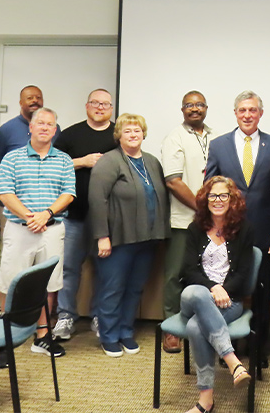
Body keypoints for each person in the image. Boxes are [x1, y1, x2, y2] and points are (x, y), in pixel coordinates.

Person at [204, 90, 270, 364]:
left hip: (264, 232)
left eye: (253, 110)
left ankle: (258, 348)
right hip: (227, 232)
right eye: (242, 110)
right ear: (235, 113)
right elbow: (209, 190)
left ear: (260, 114)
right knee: (228, 288)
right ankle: (226, 346)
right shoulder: (219, 145)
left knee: (262, 292)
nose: (247, 115)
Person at [0, 107, 75, 366]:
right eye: (40, 123)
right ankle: (4, 340)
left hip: (51, 229)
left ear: (54, 130)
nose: (44, 127)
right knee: (10, 283)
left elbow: (68, 193)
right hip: (20, 229)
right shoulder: (12, 158)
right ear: (30, 126)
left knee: (49, 284)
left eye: (50, 124)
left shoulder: (63, 160)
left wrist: (46, 214)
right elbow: (5, 193)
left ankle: (42, 336)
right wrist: (32, 216)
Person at [89, 113, 170, 357]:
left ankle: (126, 331)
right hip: (117, 239)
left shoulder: (152, 161)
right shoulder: (109, 162)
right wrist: (102, 235)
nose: (133, 135)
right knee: (113, 288)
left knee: (135, 289)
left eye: (137, 130)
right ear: (119, 135)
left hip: (146, 238)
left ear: (144, 133)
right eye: (127, 131)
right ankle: (109, 336)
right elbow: (97, 199)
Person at [180, 176, 254, 413]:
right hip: (195, 296)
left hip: (230, 302)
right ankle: (232, 361)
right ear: (205, 200)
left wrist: (225, 290)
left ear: (233, 200)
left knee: (194, 327)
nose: (218, 200)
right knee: (197, 293)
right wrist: (214, 287)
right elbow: (188, 270)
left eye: (224, 195)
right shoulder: (195, 229)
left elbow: (243, 274)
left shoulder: (244, 231)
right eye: (213, 195)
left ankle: (206, 400)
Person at [52, 88, 117, 342]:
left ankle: (100, 316)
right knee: (68, 269)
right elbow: (53, 164)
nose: (100, 107)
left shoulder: (117, 135)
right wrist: (82, 161)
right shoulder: (70, 134)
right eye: (95, 103)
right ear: (87, 106)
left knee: (105, 269)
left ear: (111, 109)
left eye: (105, 104)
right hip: (74, 215)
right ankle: (66, 316)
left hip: (108, 219)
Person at [161, 90, 217, 354]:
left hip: (213, 220)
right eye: (189, 105)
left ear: (206, 108)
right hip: (184, 220)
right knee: (175, 274)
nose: (194, 109)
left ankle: (203, 323)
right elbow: (173, 181)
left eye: (199, 105)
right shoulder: (175, 138)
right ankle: (172, 330)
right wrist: (201, 210)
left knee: (207, 273)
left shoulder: (215, 135)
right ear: (182, 109)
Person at [0, 85, 61, 184]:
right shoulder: (6, 130)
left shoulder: (54, 128)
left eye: (38, 98)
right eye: (30, 98)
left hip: (48, 191)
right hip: (15, 193)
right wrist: (4, 187)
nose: (35, 100)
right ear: (21, 103)